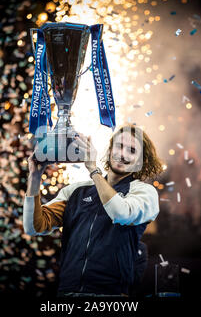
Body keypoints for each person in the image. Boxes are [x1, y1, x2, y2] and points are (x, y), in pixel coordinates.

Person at [23, 124, 163, 296]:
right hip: (67, 294)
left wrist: (93, 170)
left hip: (110, 297)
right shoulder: (77, 191)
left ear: (143, 161)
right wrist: (35, 177)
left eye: (132, 150)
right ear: (110, 149)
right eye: (119, 146)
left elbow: (121, 213)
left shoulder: (144, 192)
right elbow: (33, 226)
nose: (122, 154)